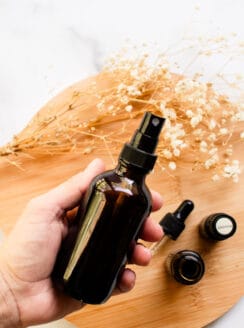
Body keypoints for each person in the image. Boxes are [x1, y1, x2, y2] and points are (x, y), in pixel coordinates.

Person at [0, 159, 163, 328]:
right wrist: (10, 287)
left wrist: (11, 293)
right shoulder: (104, 183)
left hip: (71, 286)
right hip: (62, 282)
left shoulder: (136, 196)